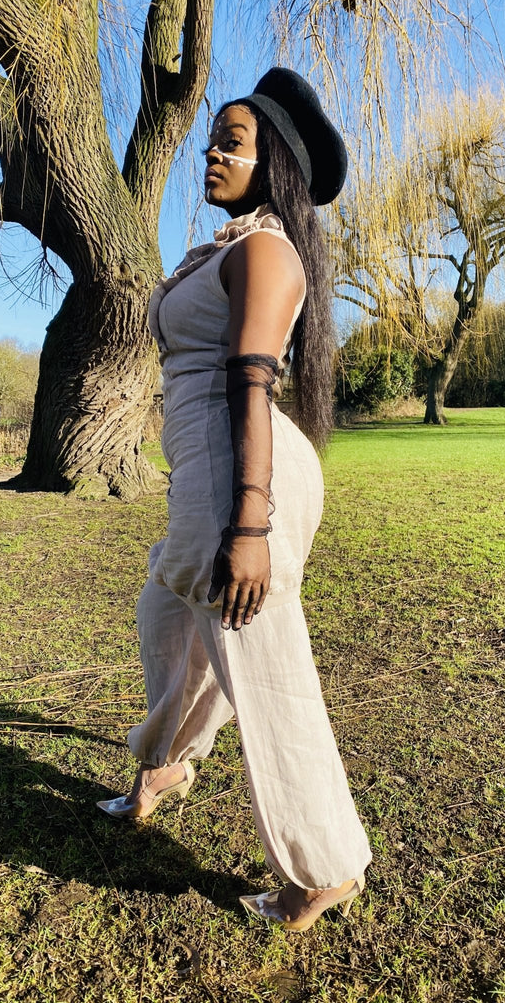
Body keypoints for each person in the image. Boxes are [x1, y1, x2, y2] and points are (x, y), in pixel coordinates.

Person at [97, 68, 372, 932]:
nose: (211, 154)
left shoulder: (265, 252)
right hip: (209, 470)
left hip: (238, 476)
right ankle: (165, 763)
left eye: (232, 142)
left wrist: (250, 524)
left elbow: (253, 382)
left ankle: (323, 869)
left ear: (272, 164)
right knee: (167, 617)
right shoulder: (227, 247)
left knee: (260, 658)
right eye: (211, 140)